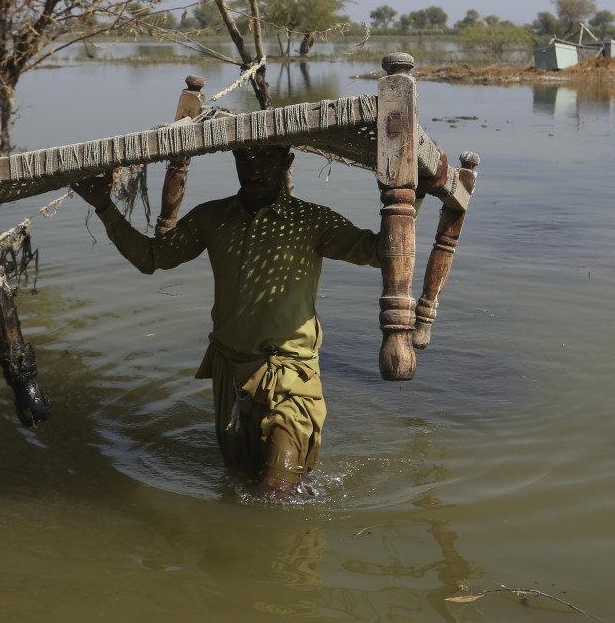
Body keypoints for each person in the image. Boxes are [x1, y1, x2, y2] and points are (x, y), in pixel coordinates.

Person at [71, 145, 382, 498]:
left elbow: (379, 250)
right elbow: (152, 257)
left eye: (266, 160)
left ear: (286, 162)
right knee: (239, 483)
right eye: (245, 160)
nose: (254, 171)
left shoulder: (310, 221)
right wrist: (104, 207)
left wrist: (410, 200)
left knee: (275, 486)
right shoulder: (213, 218)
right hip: (229, 373)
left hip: (290, 375)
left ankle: (281, 540)